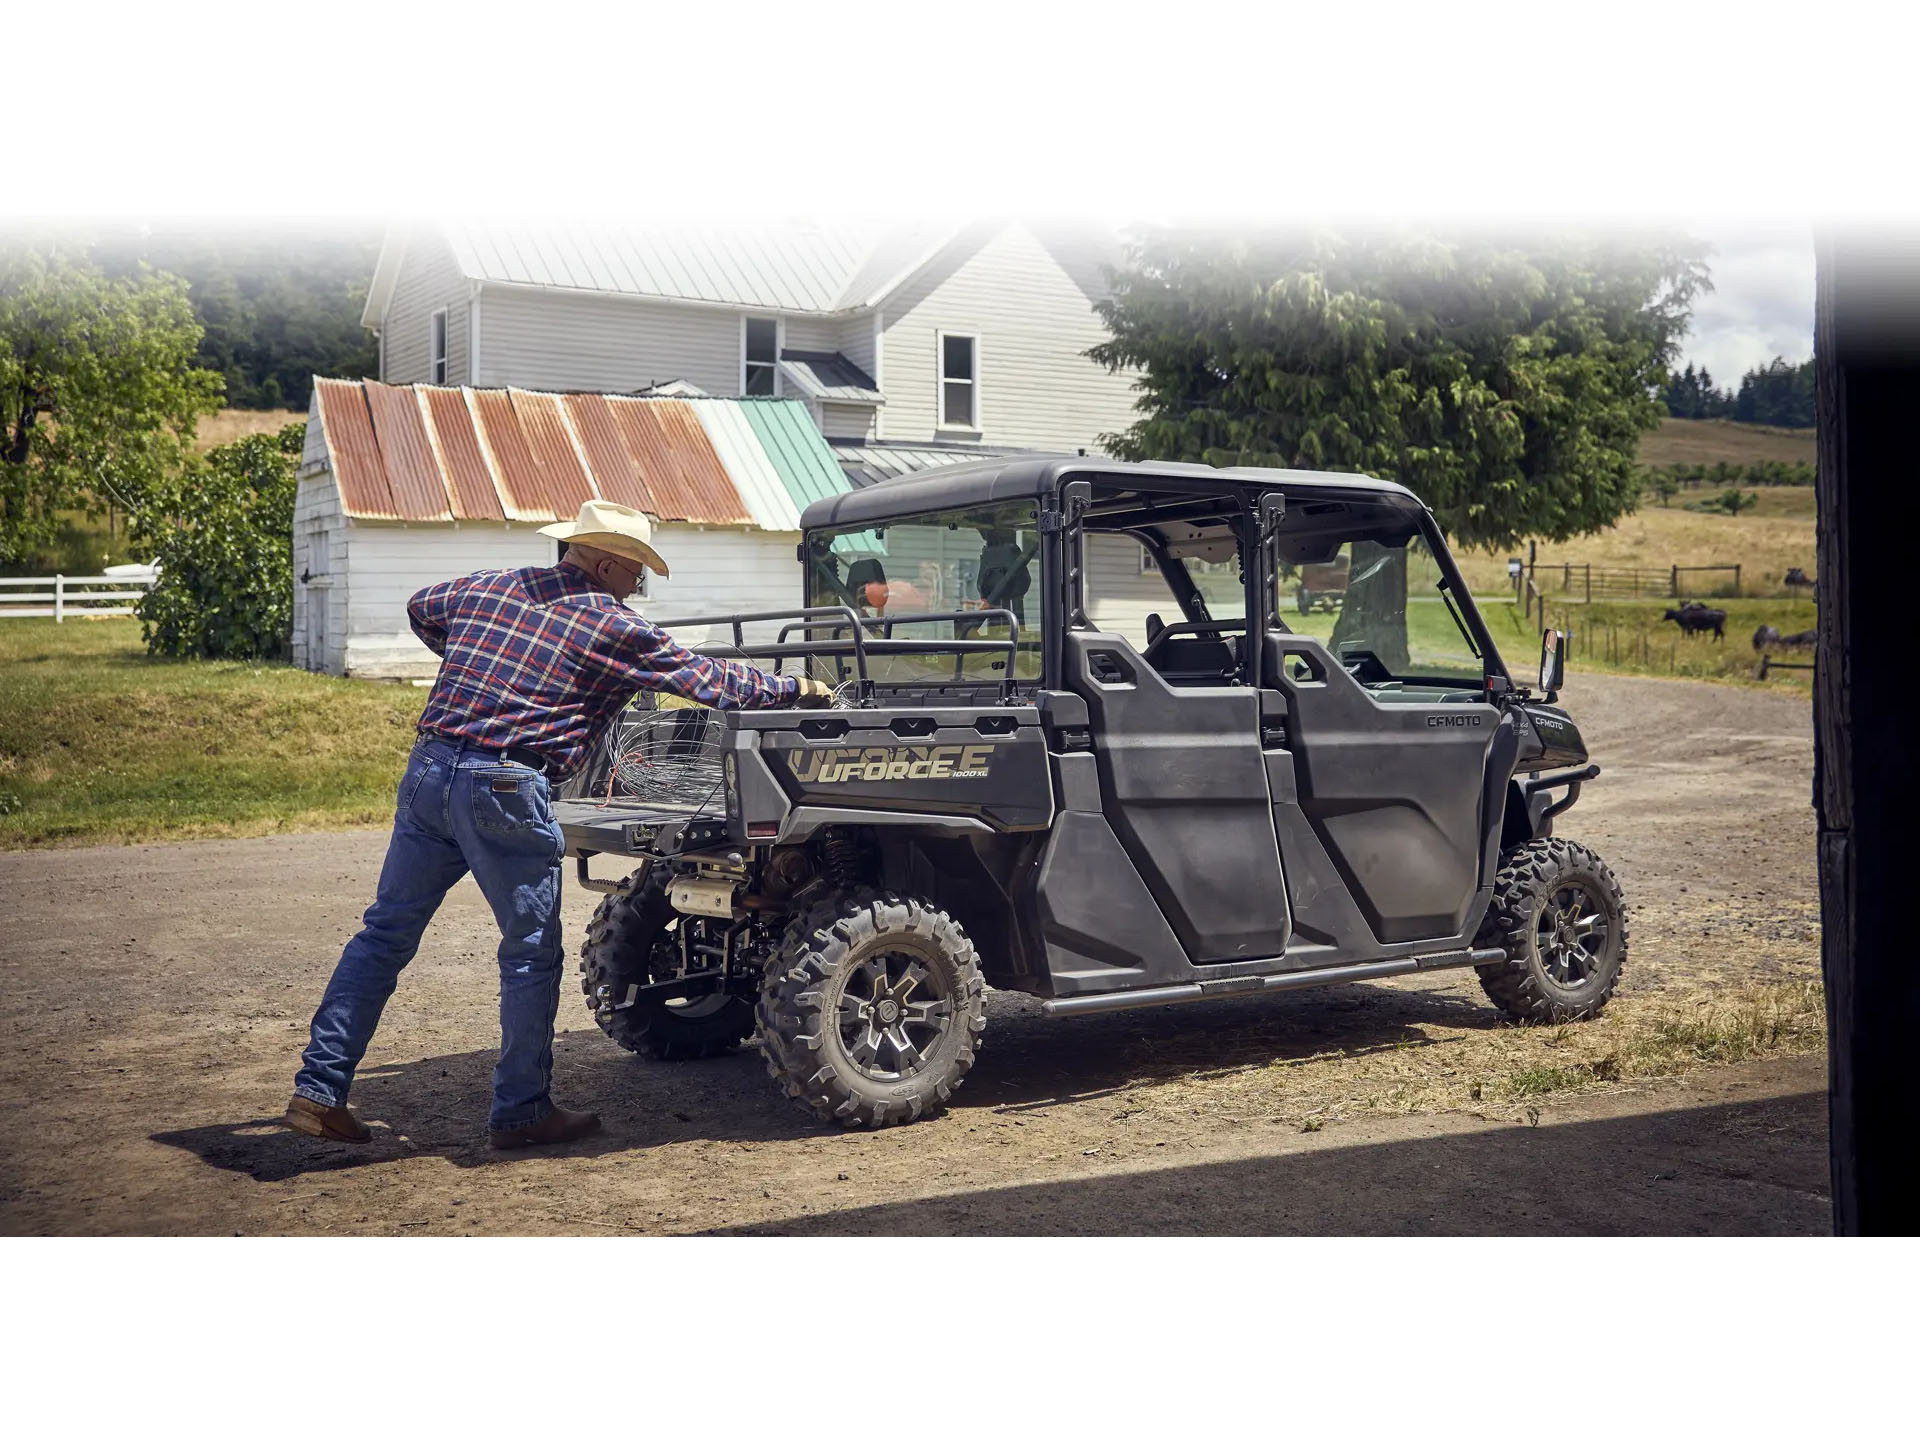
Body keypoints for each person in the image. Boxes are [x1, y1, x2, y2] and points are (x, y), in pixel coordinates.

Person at [282, 499, 834, 1150]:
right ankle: (521, 1111)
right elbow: (709, 681)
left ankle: (318, 1090)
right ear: (604, 564)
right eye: (636, 574)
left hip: (431, 769)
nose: (639, 589)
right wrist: (799, 692)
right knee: (529, 953)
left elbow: (421, 606)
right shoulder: (610, 624)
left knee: (384, 933)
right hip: (506, 784)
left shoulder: (487, 587)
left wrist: (475, 663)